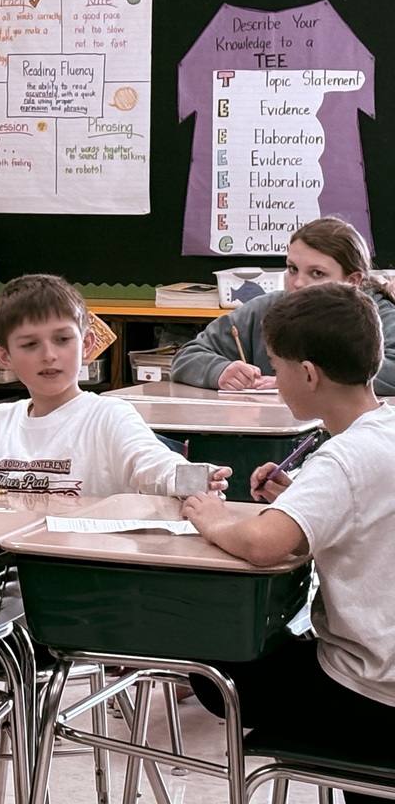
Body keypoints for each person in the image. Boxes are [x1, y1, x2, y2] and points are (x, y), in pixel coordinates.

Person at [182, 283, 395, 803]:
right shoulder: (385, 427)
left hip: (372, 695)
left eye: (276, 367)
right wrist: (299, 497)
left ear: (308, 373)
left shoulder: (344, 456)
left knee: (215, 670)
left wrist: (211, 518)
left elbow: (263, 544)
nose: (273, 381)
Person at [0, 273, 231, 497]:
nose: (49, 355)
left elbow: (152, 465)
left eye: (63, 339)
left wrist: (193, 479)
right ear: (3, 356)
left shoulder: (109, 417)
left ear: (87, 344)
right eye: (30, 345)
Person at [170, 216, 395, 393]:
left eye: (317, 273)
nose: (298, 283)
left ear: (352, 281)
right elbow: (188, 355)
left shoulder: (378, 317)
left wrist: (301, 382)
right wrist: (220, 370)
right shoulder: (265, 310)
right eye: (292, 269)